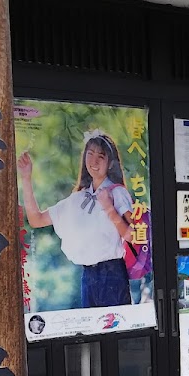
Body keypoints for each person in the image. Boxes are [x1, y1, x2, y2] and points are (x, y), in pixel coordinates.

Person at [19, 131, 134, 308]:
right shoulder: (78, 198)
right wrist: (26, 179)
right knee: (91, 334)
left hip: (112, 274)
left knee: (115, 332)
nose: (94, 161)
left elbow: (132, 235)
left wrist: (109, 209)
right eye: (90, 154)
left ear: (110, 163)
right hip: (88, 276)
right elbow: (36, 219)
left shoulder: (117, 192)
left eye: (100, 156)